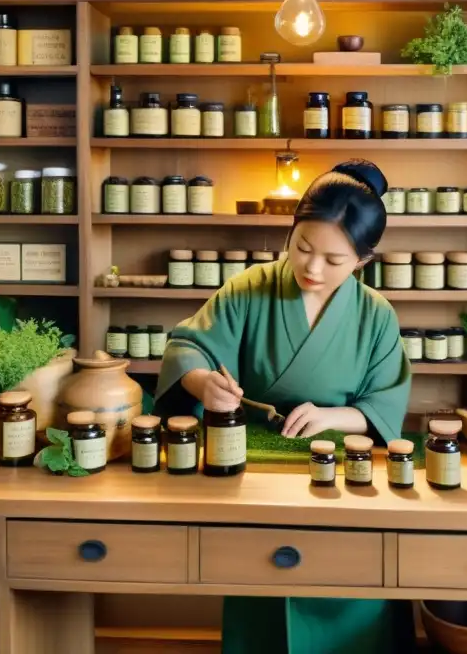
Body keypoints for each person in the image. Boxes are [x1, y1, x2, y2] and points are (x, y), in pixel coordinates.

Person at [155, 159, 413, 654]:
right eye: (303, 248)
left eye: (334, 260)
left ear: (363, 260)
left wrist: (334, 416)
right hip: (256, 471)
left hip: (343, 475)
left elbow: (386, 401)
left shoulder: (375, 314)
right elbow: (188, 347)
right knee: (263, 589)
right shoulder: (250, 288)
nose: (312, 268)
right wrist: (203, 382)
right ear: (291, 231)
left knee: (350, 592)